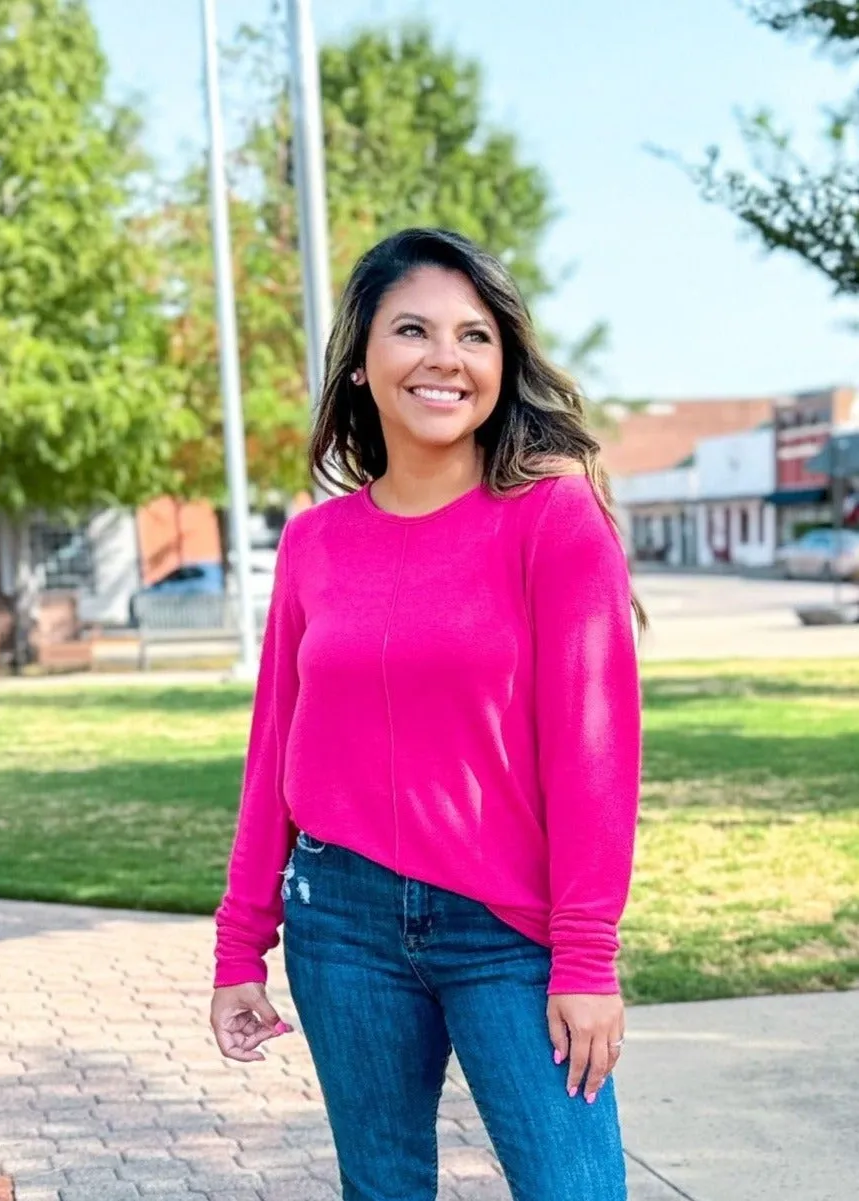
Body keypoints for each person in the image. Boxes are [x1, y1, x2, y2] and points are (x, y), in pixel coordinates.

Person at [210, 227, 643, 1201]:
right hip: (342, 924)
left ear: (502, 362)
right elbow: (274, 746)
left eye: (474, 335)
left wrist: (586, 957)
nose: (445, 357)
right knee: (384, 1188)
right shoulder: (316, 543)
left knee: (573, 1187)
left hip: (509, 929)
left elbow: (592, 752)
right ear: (362, 363)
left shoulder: (554, 517)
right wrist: (241, 943)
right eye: (412, 329)